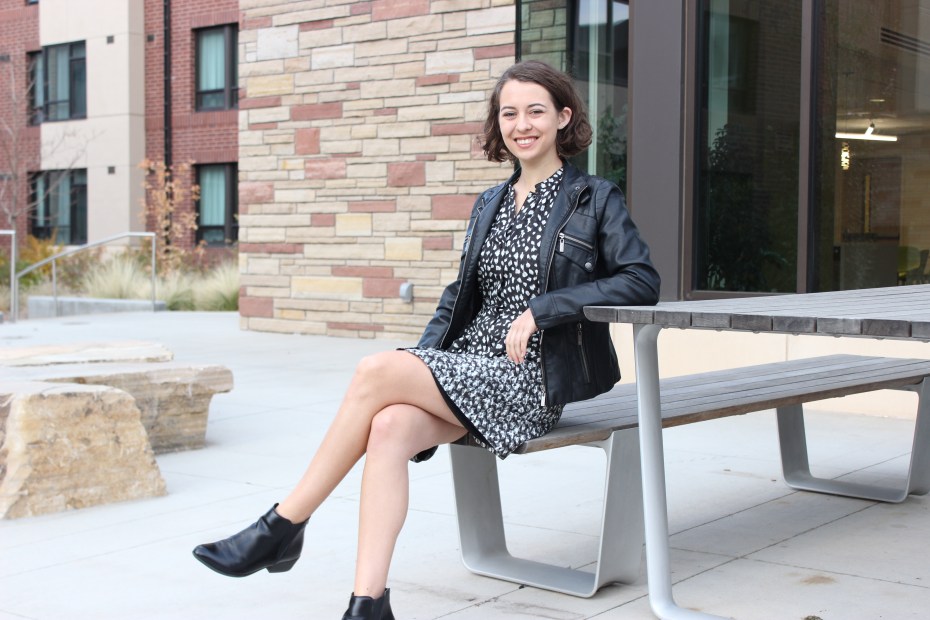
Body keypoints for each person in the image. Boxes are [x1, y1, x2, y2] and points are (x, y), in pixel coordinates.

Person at [192, 59, 660, 620]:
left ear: (563, 117)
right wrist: (424, 366)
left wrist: (545, 309)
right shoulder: (489, 202)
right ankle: (369, 603)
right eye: (508, 113)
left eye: (536, 110)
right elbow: (458, 297)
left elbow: (642, 280)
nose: (521, 124)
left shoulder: (594, 198)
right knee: (388, 424)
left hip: (532, 378)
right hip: (469, 369)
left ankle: (283, 524)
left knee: (374, 371)